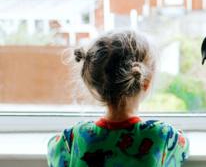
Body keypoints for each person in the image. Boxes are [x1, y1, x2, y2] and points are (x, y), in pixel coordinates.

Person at [47, 30, 188, 167]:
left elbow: (53, 151)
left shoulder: (74, 138)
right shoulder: (161, 136)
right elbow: (183, 147)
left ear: (92, 83)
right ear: (146, 81)